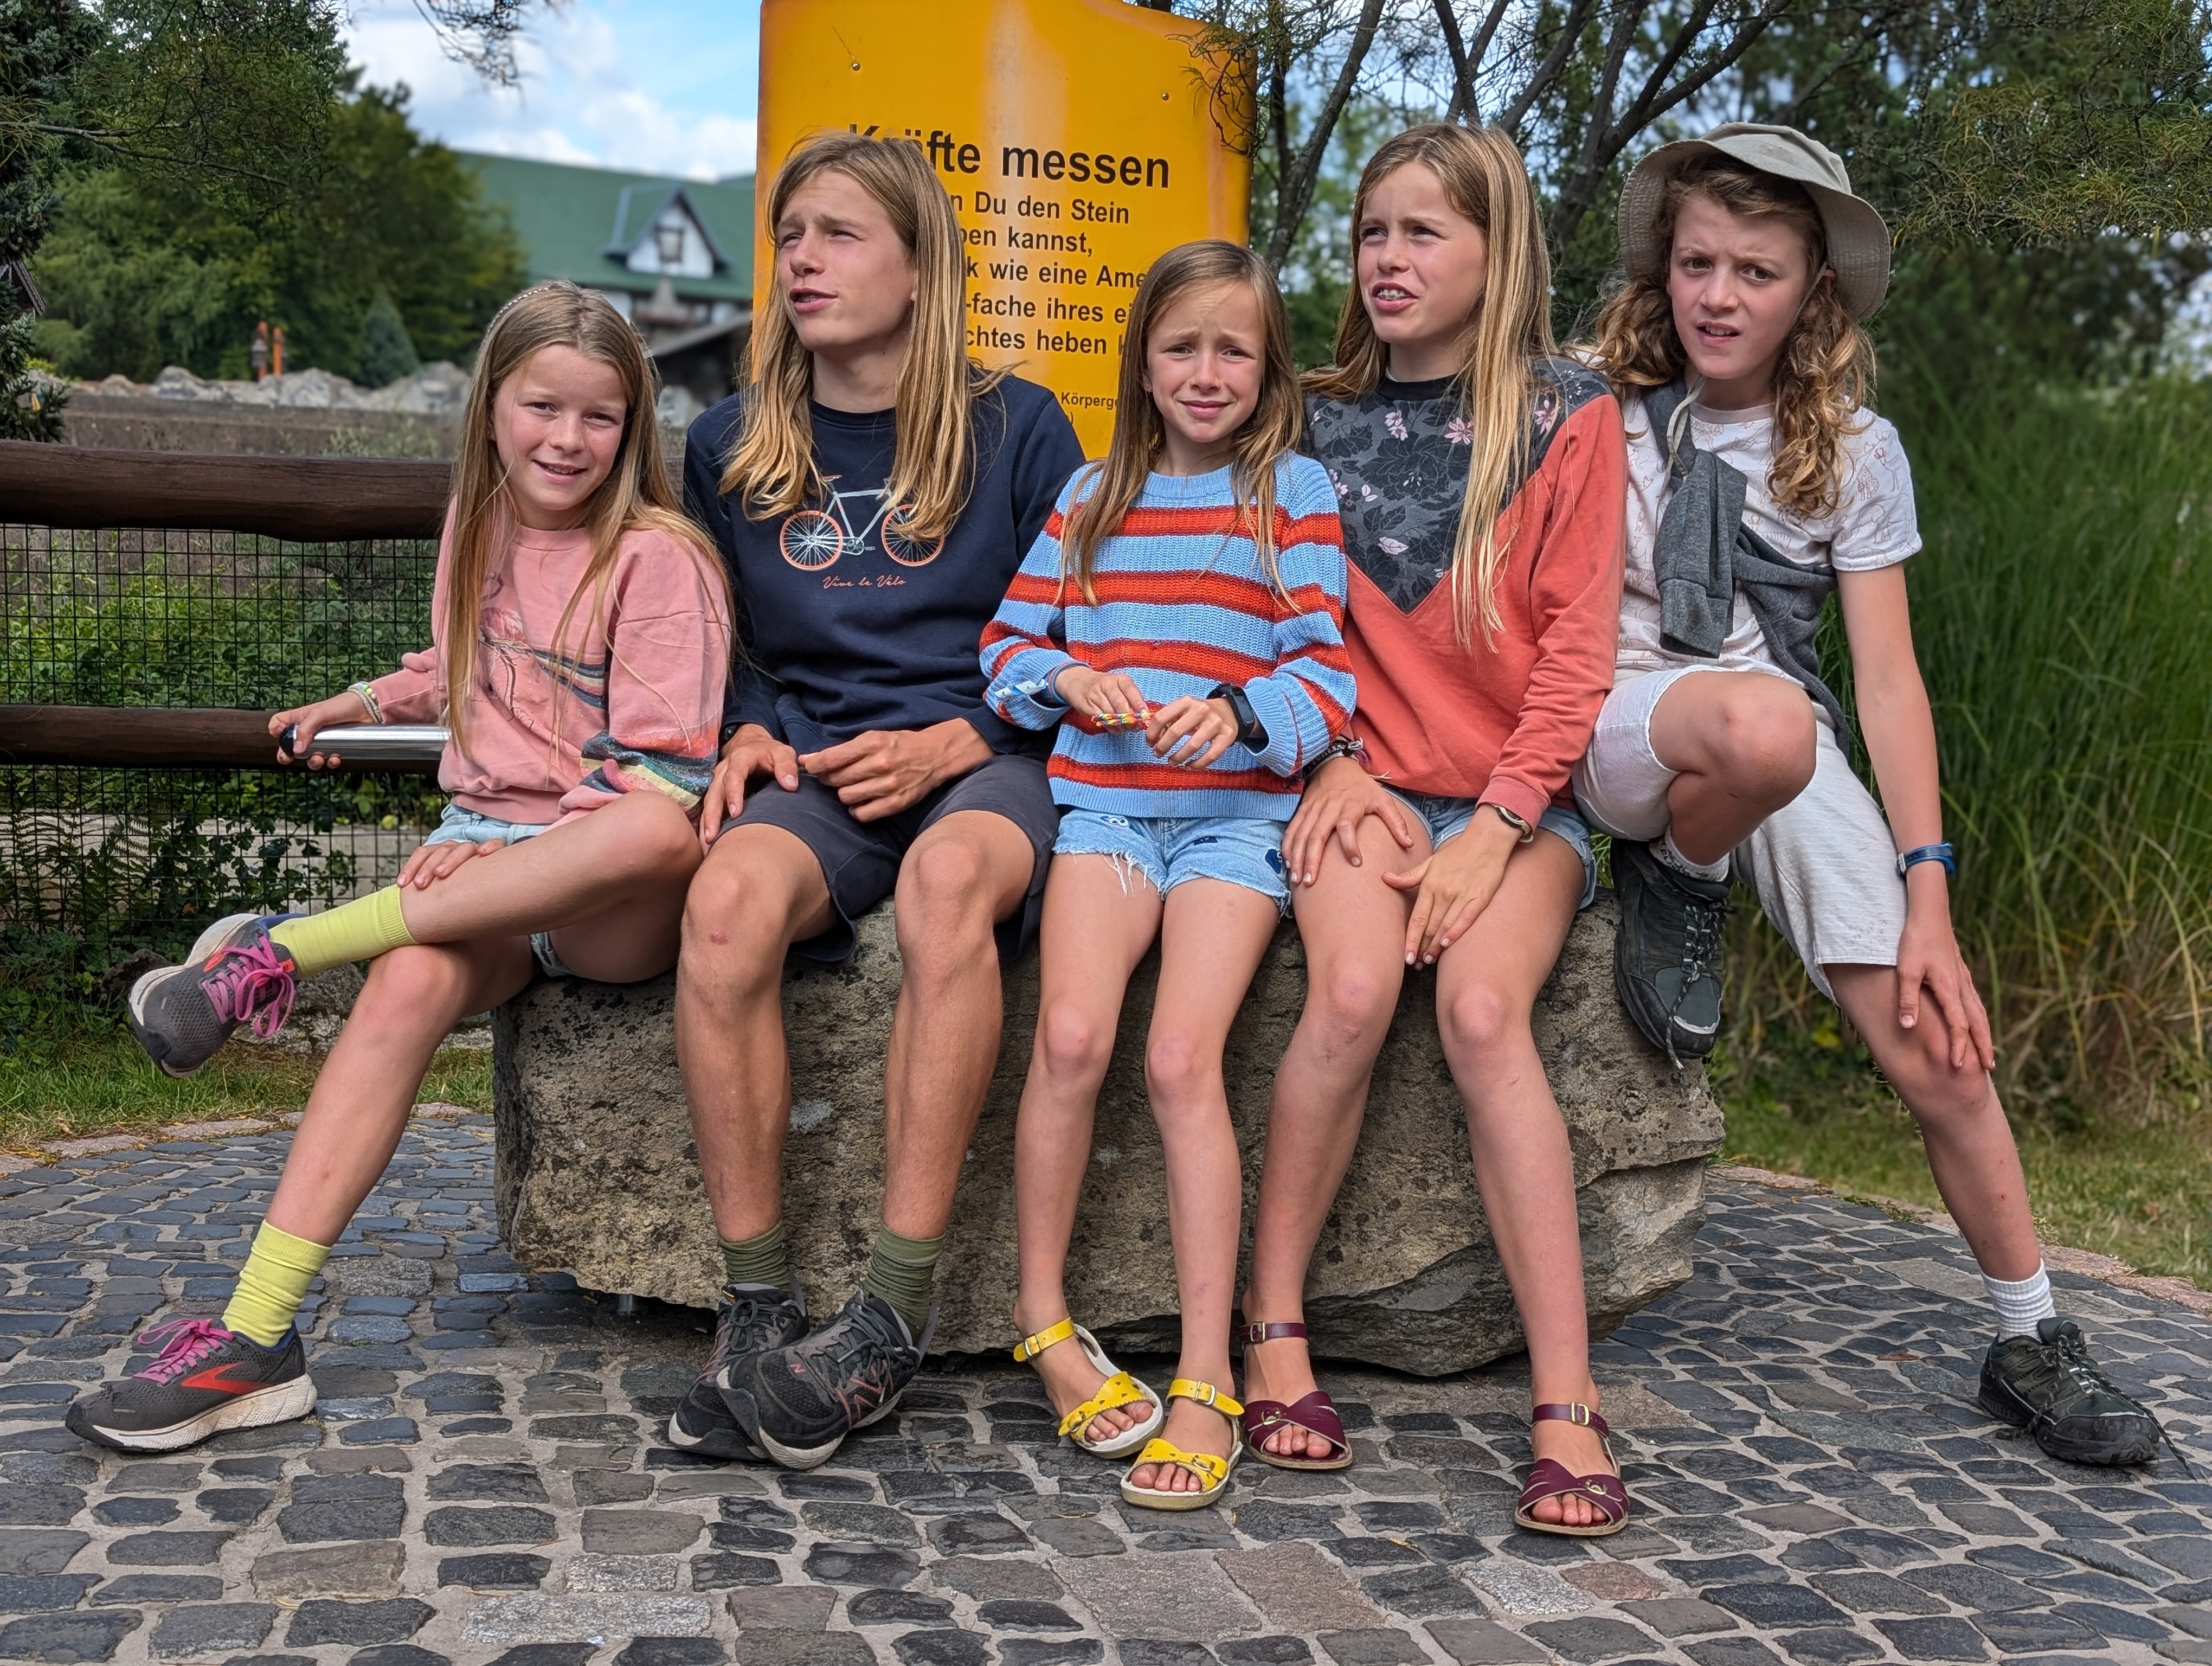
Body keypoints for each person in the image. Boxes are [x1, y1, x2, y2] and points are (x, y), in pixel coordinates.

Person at [1580, 124, 2162, 1467]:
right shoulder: (1593, 412)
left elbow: (1890, 685)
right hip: (1616, 729)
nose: (1720, 296)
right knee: (1759, 720)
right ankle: (1676, 869)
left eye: (1758, 272)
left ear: (1815, 292)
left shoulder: (1851, 448)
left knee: (1935, 1038)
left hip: (1775, 748)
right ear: (1663, 269)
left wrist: (1929, 901)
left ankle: (2030, 1331)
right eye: (1697, 263)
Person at [70, 280, 731, 1452]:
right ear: (493, 409)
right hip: (480, 861)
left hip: (606, 886)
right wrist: (364, 702)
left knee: (654, 832)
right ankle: (255, 1338)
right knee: (408, 983)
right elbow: (467, 664)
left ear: (634, 429)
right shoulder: (480, 525)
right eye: (543, 408)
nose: (568, 439)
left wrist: (519, 857)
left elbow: (664, 768)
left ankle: (282, 951)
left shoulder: (657, 558)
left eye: (601, 417)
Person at [670, 132, 1085, 1471]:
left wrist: (963, 739)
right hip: (822, 765)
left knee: (948, 887)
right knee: (724, 906)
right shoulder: (730, 441)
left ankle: (890, 1318)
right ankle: (759, 1305)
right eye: (790, 235)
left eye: (840, 234)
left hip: (991, 754)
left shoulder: (1021, 427)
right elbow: (722, 639)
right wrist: (744, 727)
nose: (803, 259)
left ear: (920, 268)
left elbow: (1082, 640)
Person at [1240, 123, 1631, 1534]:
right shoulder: (1310, 420)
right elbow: (1281, 622)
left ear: (1495, 247)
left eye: (1424, 232)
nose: (1389, 260)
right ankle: (1271, 1328)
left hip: (1520, 803)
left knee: (1478, 1011)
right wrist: (1335, 761)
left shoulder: (1570, 414)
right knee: (1350, 990)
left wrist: (1498, 828)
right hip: (1364, 783)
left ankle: (1567, 1400)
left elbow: (1578, 656)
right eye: (1372, 233)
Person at [981, 240, 1351, 1510]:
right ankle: (1045, 1321)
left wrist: (1244, 714)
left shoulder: (1290, 494)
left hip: (1234, 827)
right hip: (1109, 814)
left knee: (1182, 1060)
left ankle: (1207, 1375)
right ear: (1141, 361)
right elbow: (1008, 647)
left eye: (1233, 349)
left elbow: (1327, 676)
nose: (1206, 372)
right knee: (1071, 1038)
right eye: (1181, 346)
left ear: (1269, 367)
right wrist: (1064, 679)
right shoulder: (1093, 497)